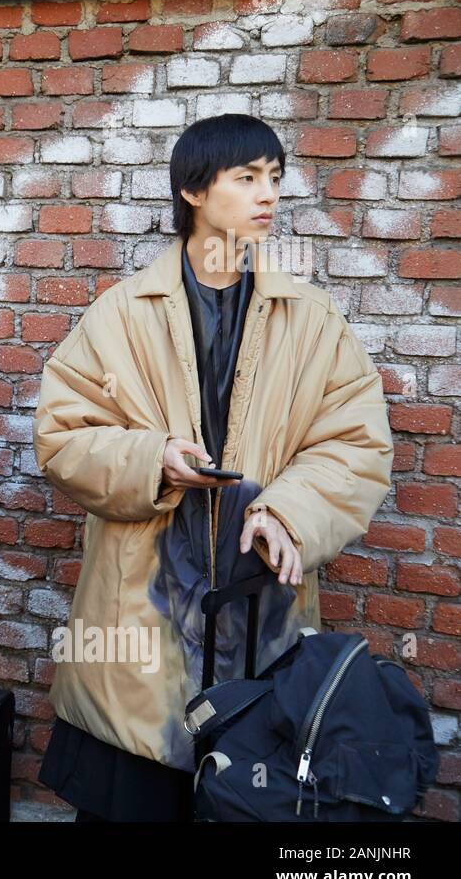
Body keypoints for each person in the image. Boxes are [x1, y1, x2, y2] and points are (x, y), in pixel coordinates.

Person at [33, 114, 393, 821]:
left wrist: (285, 509)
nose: (268, 195)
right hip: (142, 620)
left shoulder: (312, 319)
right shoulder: (121, 314)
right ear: (193, 190)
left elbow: (355, 445)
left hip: (264, 623)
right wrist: (152, 460)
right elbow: (63, 437)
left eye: (275, 178)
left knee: (248, 804)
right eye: (247, 177)